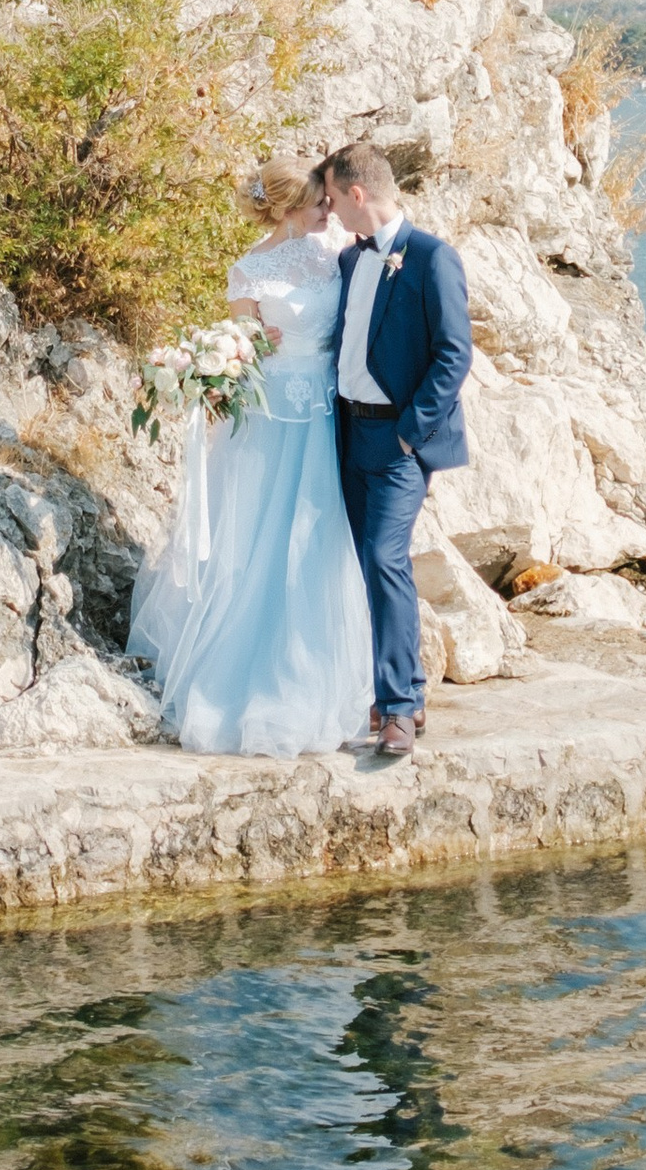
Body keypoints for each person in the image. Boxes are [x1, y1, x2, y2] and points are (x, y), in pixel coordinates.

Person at [129, 163, 375, 757]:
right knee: (262, 541)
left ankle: (318, 673)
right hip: (269, 423)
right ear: (291, 206)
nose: (329, 211)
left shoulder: (336, 249)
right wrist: (231, 358)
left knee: (317, 540)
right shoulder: (250, 269)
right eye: (319, 202)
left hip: (325, 412)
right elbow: (246, 347)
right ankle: (250, 677)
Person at [322, 141, 474, 761]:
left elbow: (454, 353)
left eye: (333, 199)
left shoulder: (433, 258)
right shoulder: (350, 263)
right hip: (348, 434)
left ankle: (400, 711)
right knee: (364, 564)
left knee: (385, 560)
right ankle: (399, 690)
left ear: (358, 195)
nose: (329, 211)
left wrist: (412, 429)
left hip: (398, 440)